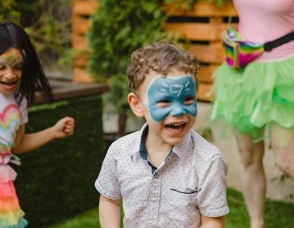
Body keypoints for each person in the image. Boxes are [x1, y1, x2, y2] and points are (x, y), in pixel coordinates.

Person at [210, 0, 294, 227]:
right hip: (242, 76)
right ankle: (256, 224)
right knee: (249, 158)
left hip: (285, 78)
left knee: (290, 161)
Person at [95, 41, 229, 228]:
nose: (179, 110)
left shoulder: (208, 161)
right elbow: (109, 199)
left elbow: (212, 220)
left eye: (188, 99)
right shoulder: (119, 153)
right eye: (165, 101)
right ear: (137, 105)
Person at [0, 22, 75, 227]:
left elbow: (17, 144)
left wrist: (53, 132)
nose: (10, 74)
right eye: (1, 66)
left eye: (18, 67)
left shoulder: (19, 100)